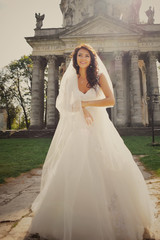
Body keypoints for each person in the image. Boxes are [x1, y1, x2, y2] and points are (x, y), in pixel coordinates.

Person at [28, 44, 154, 240]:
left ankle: (112, 215)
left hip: (98, 128)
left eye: (86, 55)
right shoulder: (70, 78)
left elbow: (110, 100)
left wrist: (85, 104)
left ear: (92, 58)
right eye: (80, 55)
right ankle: (75, 217)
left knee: (105, 168)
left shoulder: (99, 77)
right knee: (74, 171)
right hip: (77, 130)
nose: (83, 58)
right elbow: (63, 105)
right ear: (76, 58)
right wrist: (80, 108)